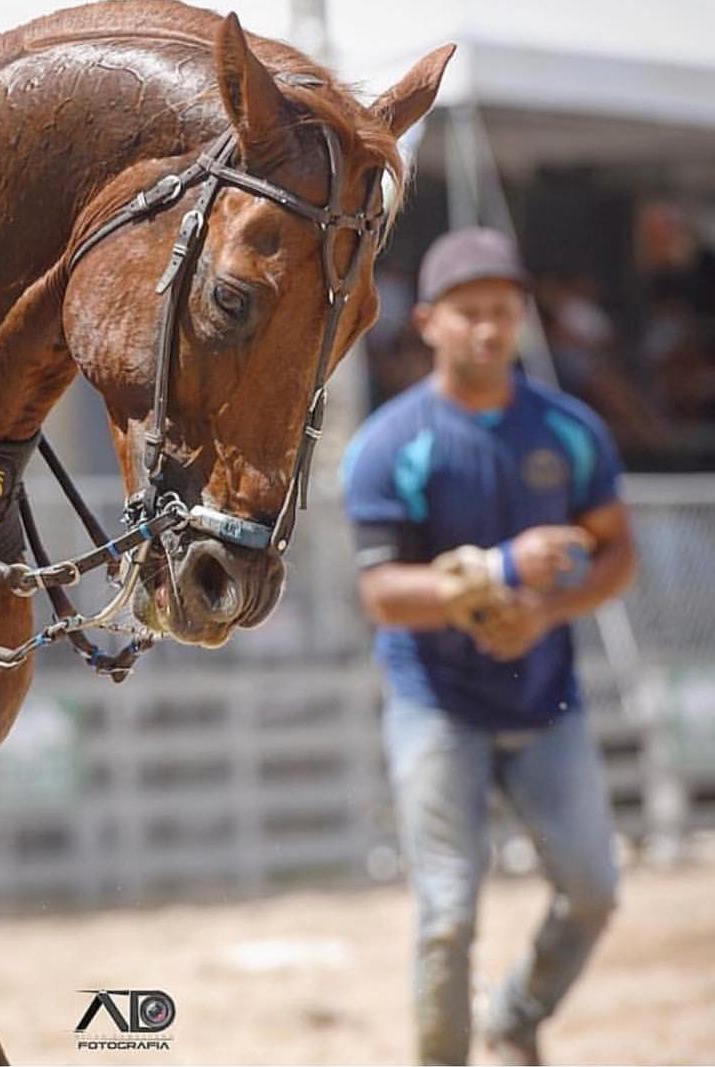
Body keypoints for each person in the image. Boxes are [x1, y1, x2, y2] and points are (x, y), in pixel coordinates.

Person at [339, 228, 638, 1065]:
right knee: (447, 914)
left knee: (593, 888)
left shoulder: (572, 431)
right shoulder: (391, 445)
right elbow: (382, 595)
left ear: (521, 318)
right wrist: (504, 570)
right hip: (437, 705)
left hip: (547, 699)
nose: (487, 329)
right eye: (468, 313)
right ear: (428, 321)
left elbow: (621, 552)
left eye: (501, 312)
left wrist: (548, 612)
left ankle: (515, 1013)